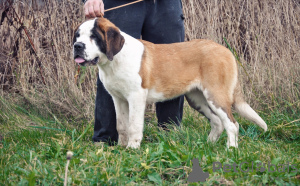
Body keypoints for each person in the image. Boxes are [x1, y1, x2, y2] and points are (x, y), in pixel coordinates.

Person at [83, 0, 185, 145]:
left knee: (171, 64)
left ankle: (171, 139)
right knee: (112, 62)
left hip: (165, 4)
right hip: (120, 4)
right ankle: (105, 142)